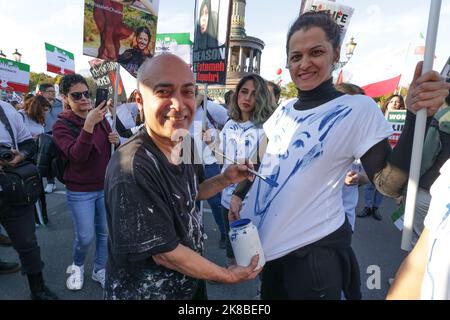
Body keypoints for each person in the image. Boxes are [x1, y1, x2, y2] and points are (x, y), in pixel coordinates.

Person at [228, 11, 450, 300]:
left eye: (316, 52)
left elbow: (388, 183)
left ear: (336, 55)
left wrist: (412, 116)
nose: (304, 63)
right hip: (269, 250)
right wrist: (239, 193)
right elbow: (260, 160)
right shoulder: (284, 109)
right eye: (296, 56)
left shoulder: (357, 108)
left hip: (314, 257)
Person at [104, 54, 260, 300]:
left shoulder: (185, 141)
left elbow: (193, 191)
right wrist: (227, 275)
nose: (178, 104)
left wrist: (226, 179)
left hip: (189, 284)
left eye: (187, 92)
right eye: (164, 92)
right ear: (140, 101)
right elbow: (165, 253)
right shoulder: (132, 167)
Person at [52, 74, 120, 291]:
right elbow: (76, 156)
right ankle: (78, 265)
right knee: (85, 236)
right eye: (76, 95)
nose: (84, 98)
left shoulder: (101, 119)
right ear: (65, 97)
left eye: (86, 93)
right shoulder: (61, 125)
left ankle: (99, 269)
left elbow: (111, 147)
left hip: (104, 186)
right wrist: (89, 125)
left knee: (104, 233)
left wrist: (115, 140)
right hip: (80, 190)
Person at [210, 74, 276, 264]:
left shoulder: (267, 129)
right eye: (244, 92)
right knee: (233, 244)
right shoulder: (229, 124)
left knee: (257, 249)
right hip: (226, 197)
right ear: (237, 94)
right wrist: (210, 142)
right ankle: (232, 271)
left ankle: (260, 289)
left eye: (254, 94)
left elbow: (262, 166)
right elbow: (220, 157)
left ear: (261, 97)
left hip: (252, 201)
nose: (247, 98)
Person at [0, 100, 58, 299]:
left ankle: (38, 289)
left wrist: (20, 155)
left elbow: (28, 144)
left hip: (12, 190)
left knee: (27, 242)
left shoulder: (6, 109)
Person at [386, 158, 450, 300]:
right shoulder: (447, 177)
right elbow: (419, 261)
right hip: (428, 190)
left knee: (414, 239)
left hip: (423, 189)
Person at [408, 90, 450, 247]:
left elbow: (426, 157)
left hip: (429, 188)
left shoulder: (441, 119)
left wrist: (408, 188)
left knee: (419, 243)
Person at [190, 88, 228, 249]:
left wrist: (214, 140)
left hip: (210, 160)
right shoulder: (181, 107)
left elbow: (230, 123)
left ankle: (225, 234)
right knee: (191, 201)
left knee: (216, 201)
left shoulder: (210, 107)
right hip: (187, 160)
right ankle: (194, 233)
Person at [358, 94, 406, 221]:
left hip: (394, 155)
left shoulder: (405, 120)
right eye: (393, 102)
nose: (395, 104)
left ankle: (375, 208)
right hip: (377, 153)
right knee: (370, 181)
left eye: (398, 103)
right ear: (388, 104)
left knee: (383, 182)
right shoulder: (379, 116)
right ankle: (367, 206)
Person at [334, 83, 370, 231]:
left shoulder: (366, 138)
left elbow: (371, 176)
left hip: (344, 219)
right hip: (313, 218)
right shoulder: (316, 134)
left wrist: (360, 178)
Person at [19, 96, 53, 225]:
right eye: (43, 109)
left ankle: (41, 218)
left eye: (47, 110)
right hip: (23, 159)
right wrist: (31, 138)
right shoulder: (20, 116)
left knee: (38, 189)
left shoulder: (39, 119)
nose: (46, 113)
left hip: (37, 157)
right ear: (36, 108)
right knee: (28, 191)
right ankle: (32, 219)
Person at [38, 83, 63, 194]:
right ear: (42, 93)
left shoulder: (61, 104)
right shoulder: (37, 105)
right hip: (45, 136)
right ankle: (50, 182)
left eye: (53, 91)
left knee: (62, 159)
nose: (53, 93)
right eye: (49, 91)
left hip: (60, 135)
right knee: (47, 161)